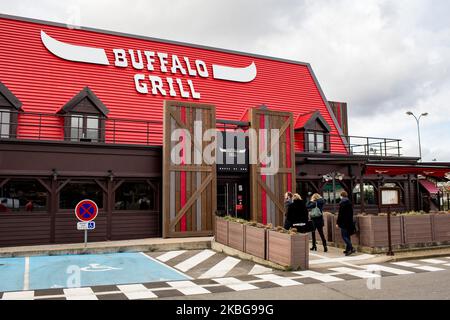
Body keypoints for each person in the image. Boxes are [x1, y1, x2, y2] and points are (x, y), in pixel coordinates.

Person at [337, 191, 356, 256]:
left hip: (343, 222)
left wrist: (338, 223)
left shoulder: (342, 203)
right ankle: (348, 250)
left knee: (344, 236)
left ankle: (351, 248)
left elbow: (340, 214)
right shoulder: (349, 202)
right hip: (349, 222)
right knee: (347, 236)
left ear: (341, 196)